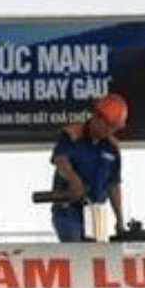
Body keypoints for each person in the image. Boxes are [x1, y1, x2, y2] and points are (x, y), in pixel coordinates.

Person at [48, 93, 127, 242]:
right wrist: (73, 179)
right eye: (107, 125)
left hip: (96, 212)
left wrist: (120, 219)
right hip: (69, 211)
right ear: (96, 117)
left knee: (97, 254)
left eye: (114, 128)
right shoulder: (72, 135)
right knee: (76, 250)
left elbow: (114, 186)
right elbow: (61, 160)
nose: (109, 131)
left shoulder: (112, 148)